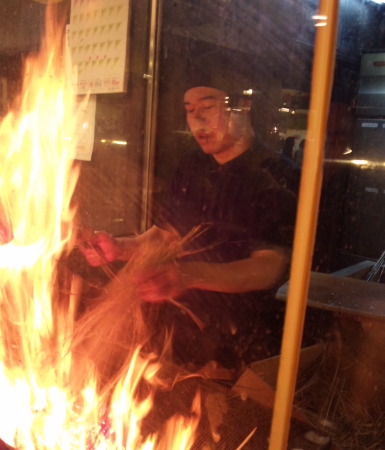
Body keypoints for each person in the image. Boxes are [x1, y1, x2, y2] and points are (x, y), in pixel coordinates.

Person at [81, 82, 298, 372]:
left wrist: (187, 275)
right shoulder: (192, 165)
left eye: (208, 107)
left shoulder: (276, 174)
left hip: (243, 343)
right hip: (180, 337)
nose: (198, 121)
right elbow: (164, 238)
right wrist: (118, 248)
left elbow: (269, 267)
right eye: (190, 111)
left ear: (243, 106)